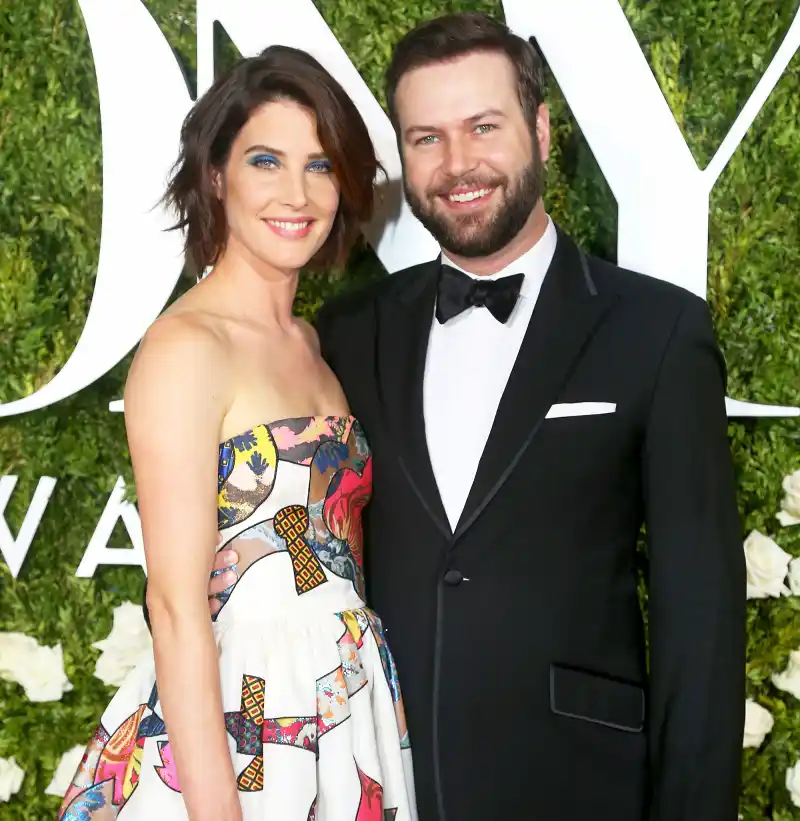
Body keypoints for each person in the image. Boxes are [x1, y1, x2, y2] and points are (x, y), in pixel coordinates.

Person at [209, 13, 747, 821]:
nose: (458, 164)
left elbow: (699, 621)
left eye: (484, 127)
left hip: (578, 788)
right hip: (378, 779)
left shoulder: (658, 332)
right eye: (426, 138)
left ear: (539, 129)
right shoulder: (351, 333)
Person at [59, 46, 416, 821]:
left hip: (339, 710)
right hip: (238, 731)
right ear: (216, 175)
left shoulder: (313, 345)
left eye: (320, 166)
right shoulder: (188, 347)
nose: (297, 193)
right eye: (266, 160)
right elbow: (177, 604)